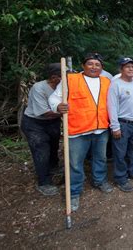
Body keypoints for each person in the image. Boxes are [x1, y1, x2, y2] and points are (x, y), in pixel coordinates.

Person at [49, 53, 113, 212]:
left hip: (101, 129)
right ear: (83, 66)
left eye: (97, 65)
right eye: (90, 64)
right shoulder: (70, 80)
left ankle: (99, 180)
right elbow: (54, 98)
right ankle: (74, 192)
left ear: (101, 67)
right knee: (75, 163)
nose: (94, 67)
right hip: (78, 130)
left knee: (100, 158)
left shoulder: (106, 81)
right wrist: (58, 106)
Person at [21, 63, 62, 196]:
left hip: (53, 122)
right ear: (54, 77)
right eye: (63, 76)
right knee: (41, 150)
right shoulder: (39, 88)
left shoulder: (62, 87)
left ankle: (53, 167)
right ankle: (44, 182)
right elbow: (44, 112)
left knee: (54, 145)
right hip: (35, 123)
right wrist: (68, 113)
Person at [107, 57, 133, 192]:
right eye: (127, 66)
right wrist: (115, 126)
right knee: (120, 152)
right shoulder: (115, 84)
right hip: (122, 123)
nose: (131, 69)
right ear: (121, 69)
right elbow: (111, 106)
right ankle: (120, 178)